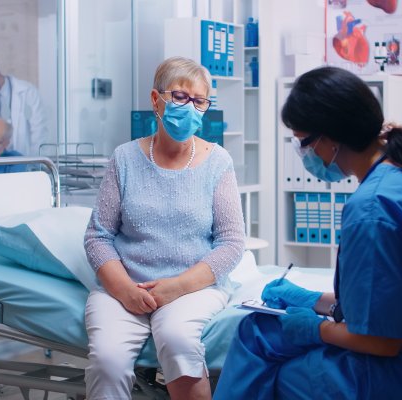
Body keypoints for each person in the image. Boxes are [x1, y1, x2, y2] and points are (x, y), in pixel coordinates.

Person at [213, 66, 402, 399]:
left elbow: (381, 340)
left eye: (303, 143)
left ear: (330, 139)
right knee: (263, 333)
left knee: (262, 346)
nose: (304, 155)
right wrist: (315, 300)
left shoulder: (372, 209)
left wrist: (319, 329)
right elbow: (390, 302)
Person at [83, 56, 245, 400]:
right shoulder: (124, 159)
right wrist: (125, 289)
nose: (190, 108)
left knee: (178, 342)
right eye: (180, 97)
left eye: (199, 101)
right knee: (107, 361)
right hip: (126, 287)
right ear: (156, 100)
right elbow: (98, 236)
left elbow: (231, 243)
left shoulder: (218, 162)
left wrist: (175, 288)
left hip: (193, 288)